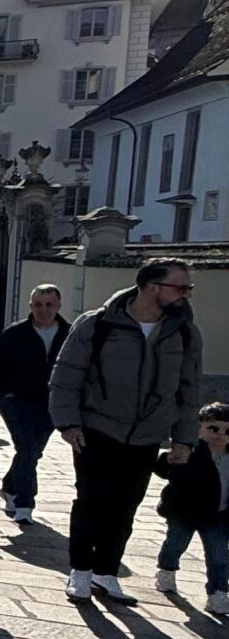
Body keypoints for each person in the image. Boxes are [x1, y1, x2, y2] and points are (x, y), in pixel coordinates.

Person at [50, 257, 204, 604]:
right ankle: (81, 571)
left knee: (126, 505)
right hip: (97, 427)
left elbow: (188, 389)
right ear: (152, 287)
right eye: (181, 287)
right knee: (91, 500)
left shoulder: (184, 331)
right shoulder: (98, 323)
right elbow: (66, 374)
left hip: (147, 433)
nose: (187, 295)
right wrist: (68, 423)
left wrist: (184, 439)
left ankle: (107, 572)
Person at [0, 286, 69, 524]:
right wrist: (5, 392)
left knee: (32, 452)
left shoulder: (70, 335)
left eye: (49, 304)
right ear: (30, 306)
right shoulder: (15, 333)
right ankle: (24, 504)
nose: (44, 310)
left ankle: (10, 485)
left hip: (51, 404)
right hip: (15, 402)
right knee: (28, 448)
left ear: (59, 306)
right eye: (38, 304)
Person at [152, 402, 229, 615]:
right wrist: (167, 459)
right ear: (199, 428)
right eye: (213, 428)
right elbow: (165, 469)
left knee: (219, 556)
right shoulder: (191, 451)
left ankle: (218, 593)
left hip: (218, 516)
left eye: (227, 430)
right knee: (175, 544)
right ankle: (166, 569)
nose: (220, 435)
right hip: (184, 512)